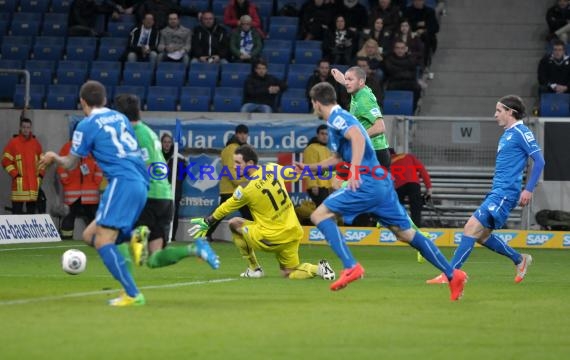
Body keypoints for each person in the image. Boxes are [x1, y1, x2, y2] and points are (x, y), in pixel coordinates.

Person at [298, 82, 466, 300]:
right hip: (380, 184)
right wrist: (311, 168)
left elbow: (358, 138)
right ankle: (453, 275)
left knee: (319, 215)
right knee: (406, 234)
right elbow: (339, 157)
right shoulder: (338, 121)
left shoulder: (337, 118)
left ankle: (351, 266)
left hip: (366, 182)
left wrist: (356, 173)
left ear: (316, 103)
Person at [39, 80, 148, 307]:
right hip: (140, 181)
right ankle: (133, 236)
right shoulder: (121, 118)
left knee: (102, 241)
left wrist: (53, 157)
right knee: (89, 236)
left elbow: (69, 164)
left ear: (82, 102)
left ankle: (132, 293)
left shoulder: (86, 125)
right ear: (105, 100)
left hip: (122, 182)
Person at [426, 95, 544, 285]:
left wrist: (528, 189)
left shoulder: (522, 132)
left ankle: (451, 275)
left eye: (499, 111)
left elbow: (539, 161)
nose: (495, 115)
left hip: (505, 193)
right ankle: (519, 259)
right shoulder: (507, 133)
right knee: (481, 235)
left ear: (510, 112)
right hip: (498, 191)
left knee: (470, 227)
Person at [189, 144, 336, 281]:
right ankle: (320, 269)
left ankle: (254, 269)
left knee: (234, 223)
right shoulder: (272, 168)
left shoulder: (246, 189)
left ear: (250, 164)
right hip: (293, 232)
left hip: (270, 237)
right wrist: (322, 169)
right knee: (288, 272)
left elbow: (225, 207)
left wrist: (208, 221)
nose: (234, 166)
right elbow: (297, 172)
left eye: (238, 163)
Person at [113, 93, 219, 271]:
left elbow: (147, 166)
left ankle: (138, 237)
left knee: (114, 232)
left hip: (148, 196)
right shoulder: (150, 133)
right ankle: (194, 249)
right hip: (165, 198)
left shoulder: (136, 134)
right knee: (154, 259)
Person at [331, 66, 390, 169]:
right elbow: (352, 84)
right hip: (367, 150)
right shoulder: (358, 91)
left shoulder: (364, 100)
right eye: (346, 79)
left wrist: (357, 138)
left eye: (350, 80)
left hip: (375, 152)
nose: (347, 83)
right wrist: (343, 80)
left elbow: (380, 127)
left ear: (361, 82)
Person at [205, 124, 252, 241]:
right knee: (248, 214)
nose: (243, 136)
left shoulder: (235, 148)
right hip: (233, 189)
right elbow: (231, 170)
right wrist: (242, 182)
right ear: (236, 134)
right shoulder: (233, 149)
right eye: (240, 133)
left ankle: (205, 233)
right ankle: (254, 236)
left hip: (231, 189)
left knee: (221, 214)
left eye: (245, 133)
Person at [57, 135, 103, 240]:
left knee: (93, 218)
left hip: (90, 192)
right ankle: (66, 240)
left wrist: (96, 181)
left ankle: (96, 240)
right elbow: (60, 165)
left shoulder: (92, 148)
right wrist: (66, 181)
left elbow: (100, 165)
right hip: (72, 191)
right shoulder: (67, 147)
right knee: (69, 216)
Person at [2, 117, 44, 215]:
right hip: (19, 187)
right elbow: (5, 161)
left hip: (33, 187)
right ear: (20, 128)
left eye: (28, 127)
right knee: (16, 217)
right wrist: (15, 174)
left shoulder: (36, 143)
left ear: (31, 128)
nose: (26, 129)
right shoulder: (13, 143)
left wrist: (40, 175)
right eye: (24, 127)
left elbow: (43, 161)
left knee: (30, 218)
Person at [389, 148, 432, 227]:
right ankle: (416, 228)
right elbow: (422, 170)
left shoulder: (387, 163)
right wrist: (428, 188)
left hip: (399, 186)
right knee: (415, 206)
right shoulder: (408, 156)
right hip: (413, 183)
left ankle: (399, 227)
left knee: (397, 207)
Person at [161, 133, 186, 241]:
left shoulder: (178, 158)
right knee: (160, 214)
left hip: (174, 191)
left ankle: (172, 237)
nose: (167, 144)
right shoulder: (157, 155)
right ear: (161, 143)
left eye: (169, 142)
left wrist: (174, 182)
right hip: (160, 191)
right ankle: (160, 236)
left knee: (173, 214)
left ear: (172, 144)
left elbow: (183, 174)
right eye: (165, 142)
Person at [303, 124, 332, 207]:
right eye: (322, 134)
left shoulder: (326, 149)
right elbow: (309, 168)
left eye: (326, 134)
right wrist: (313, 185)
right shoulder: (311, 148)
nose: (325, 136)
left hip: (327, 186)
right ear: (317, 135)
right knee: (324, 211)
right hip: (318, 186)